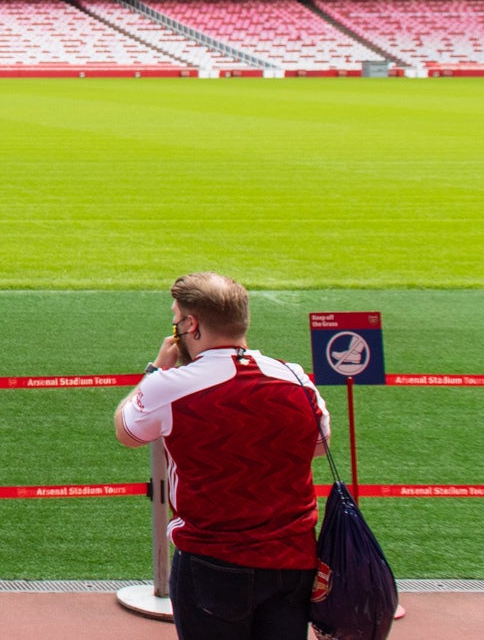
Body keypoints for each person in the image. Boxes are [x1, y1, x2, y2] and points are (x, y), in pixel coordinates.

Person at [114, 272, 332, 640]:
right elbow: (318, 446)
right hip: (293, 561)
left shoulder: (168, 387)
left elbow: (127, 431)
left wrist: (156, 369)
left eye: (176, 320)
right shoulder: (296, 379)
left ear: (191, 325)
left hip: (211, 563)